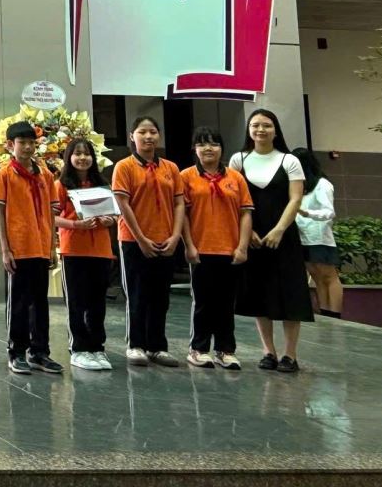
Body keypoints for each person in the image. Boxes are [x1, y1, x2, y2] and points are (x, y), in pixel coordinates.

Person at [231, 108, 314, 372]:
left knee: (291, 294)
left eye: (266, 125)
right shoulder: (238, 160)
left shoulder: (289, 160)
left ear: (275, 130)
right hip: (252, 237)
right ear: (249, 130)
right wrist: (248, 232)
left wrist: (279, 229)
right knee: (259, 294)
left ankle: (290, 355)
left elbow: (295, 199)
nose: (260, 130)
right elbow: (233, 200)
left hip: (284, 237)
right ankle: (268, 351)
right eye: (255, 125)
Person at [111, 116, 186, 367]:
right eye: (142, 132)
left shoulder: (171, 168)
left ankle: (157, 346)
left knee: (161, 297)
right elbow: (123, 205)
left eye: (153, 132)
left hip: (165, 240)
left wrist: (175, 236)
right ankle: (135, 345)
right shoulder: (124, 167)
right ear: (132, 136)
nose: (148, 136)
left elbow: (179, 203)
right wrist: (141, 238)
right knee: (137, 295)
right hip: (134, 241)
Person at [0, 119, 61, 375]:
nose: (28, 147)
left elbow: (51, 213)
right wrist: (5, 249)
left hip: (40, 247)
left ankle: (40, 352)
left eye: (32, 143)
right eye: (22, 143)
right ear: (11, 145)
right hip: (18, 248)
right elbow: (0, 214)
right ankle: (16, 351)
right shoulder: (4, 174)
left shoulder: (45, 175)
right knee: (19, 302)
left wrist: (51, 247)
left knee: (40, 302)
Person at [180, 126, 253, 370]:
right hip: (201, 250)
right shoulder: (186, 176)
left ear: (222, 148)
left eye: (213, 144)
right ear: (194, 149)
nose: (208, 148)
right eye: (202, 144)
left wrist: (242, 247)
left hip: (230, 250)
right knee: (202, 302)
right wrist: (189, 245)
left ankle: (225, 350)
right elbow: (183, 215)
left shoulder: (236, 178)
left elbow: (245, 213)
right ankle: (198, 349)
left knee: (226, 303)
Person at [53, 136, 116, 372]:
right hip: (74, 250)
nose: (82, 158)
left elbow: (113, 214)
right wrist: (75, 225)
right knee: (77, 302)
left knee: (97, 303)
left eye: (87, 153)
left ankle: (97, 347)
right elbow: (51, 217)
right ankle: (79, 349)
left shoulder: (101, 184)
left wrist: (110, 219)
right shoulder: (61, 185)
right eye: (77, 153)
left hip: (100, 251)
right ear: (69, 158)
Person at [295, 148, 342, 319]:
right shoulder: (300, 186)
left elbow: (329, 212)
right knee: (316, 276)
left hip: (320, 237)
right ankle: (325, 313)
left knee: (329, 276)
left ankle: (335, 314)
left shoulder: (322, 184)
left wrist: (308, 213)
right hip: (303, 237)